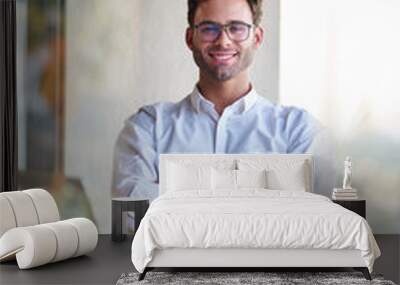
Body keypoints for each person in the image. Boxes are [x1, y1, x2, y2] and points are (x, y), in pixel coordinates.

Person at [112, 0, 335, 202]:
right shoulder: (147, 128)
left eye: (236, 28)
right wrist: (258, 199)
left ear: (257, 38)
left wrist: (177, 200)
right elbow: (133, 218)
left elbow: (311, 222)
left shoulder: (298, 132)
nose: (223, 41)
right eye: (210, 28)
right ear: (190, 38)